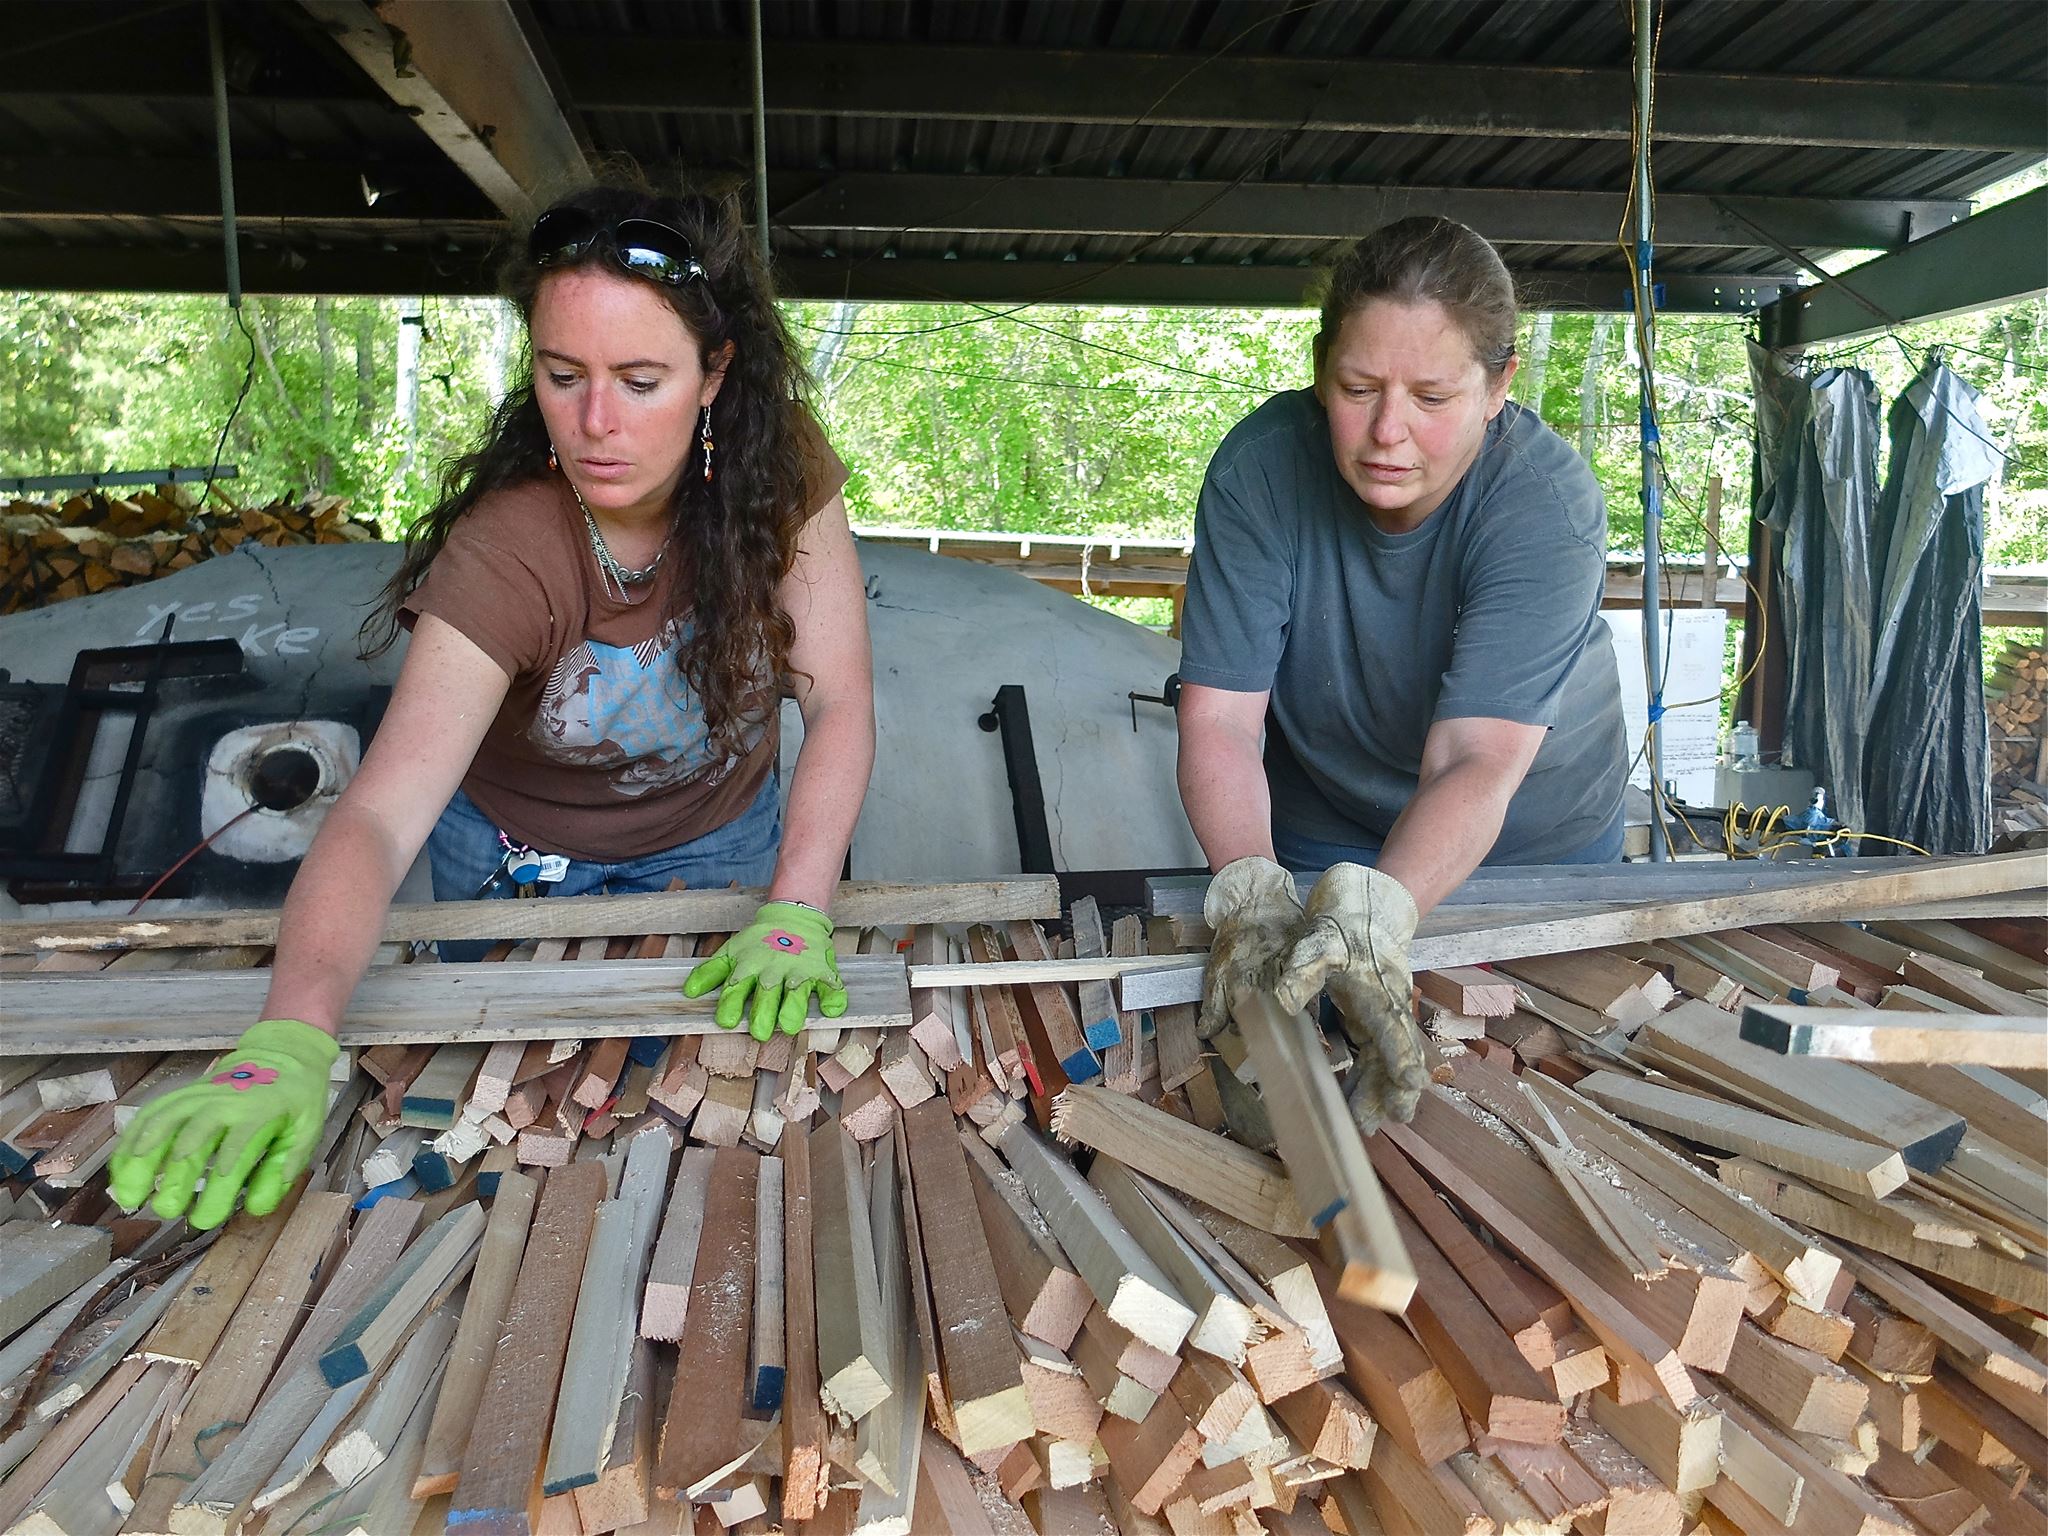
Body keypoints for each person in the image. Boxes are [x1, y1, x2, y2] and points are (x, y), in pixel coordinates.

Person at [107, 181, 876, 1229]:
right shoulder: (508, 548)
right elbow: (378, 816)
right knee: (509, 1125)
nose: (596, 423)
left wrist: (796, 902)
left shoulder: (775, 469)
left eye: (641, 380)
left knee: (700, 1115)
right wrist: (290, 1031)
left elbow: (835, 702)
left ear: (716, 374)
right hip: (516, 857)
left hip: (719, 842)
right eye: (563, 377)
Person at [1177, 216, 1626, 1133]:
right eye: (1357, 388)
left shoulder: (1544, 505)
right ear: (1318, 368)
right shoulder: (1260, 475)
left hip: (1522, 843)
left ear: (1499, 384)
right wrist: (1252, 893)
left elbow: (1475, 758)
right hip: (1320, 830)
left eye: (1432, 396)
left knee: (1528, 1103)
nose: (1388, 432)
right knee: (1288, 1090)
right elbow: (1220, 724)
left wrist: (1384, 916)